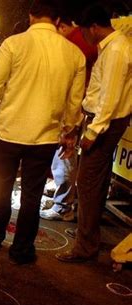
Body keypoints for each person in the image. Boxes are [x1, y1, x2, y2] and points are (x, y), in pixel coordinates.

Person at [0, 0, 86, 265]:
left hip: (10, 131)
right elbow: (75, 104)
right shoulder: (75, 55)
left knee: (1, 188)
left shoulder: (14, 44)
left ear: (31, 16)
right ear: (58, 20)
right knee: (32, 194)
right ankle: (22, 250)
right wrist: (70, 131)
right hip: (45, 136)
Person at [56, 2, 131, 263]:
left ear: (94, 27)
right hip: (103, 122)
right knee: (93, 183)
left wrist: (92, 132)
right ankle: (87, 240)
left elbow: (109, 98)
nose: (84, 38)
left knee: (88, 183)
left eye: (85, 31)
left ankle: (85, 248)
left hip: (105, 125)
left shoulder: (117, 50)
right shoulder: (111, 47)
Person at [40, 15, 98, 221]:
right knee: (62, 157)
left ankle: (63, 206)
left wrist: (70, 126)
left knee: (64, 155)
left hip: (70, 109)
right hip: (71, 107)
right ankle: (62, 198)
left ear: (61, 26)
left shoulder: (73, 42)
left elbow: (73, 88)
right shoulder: (77, 41)